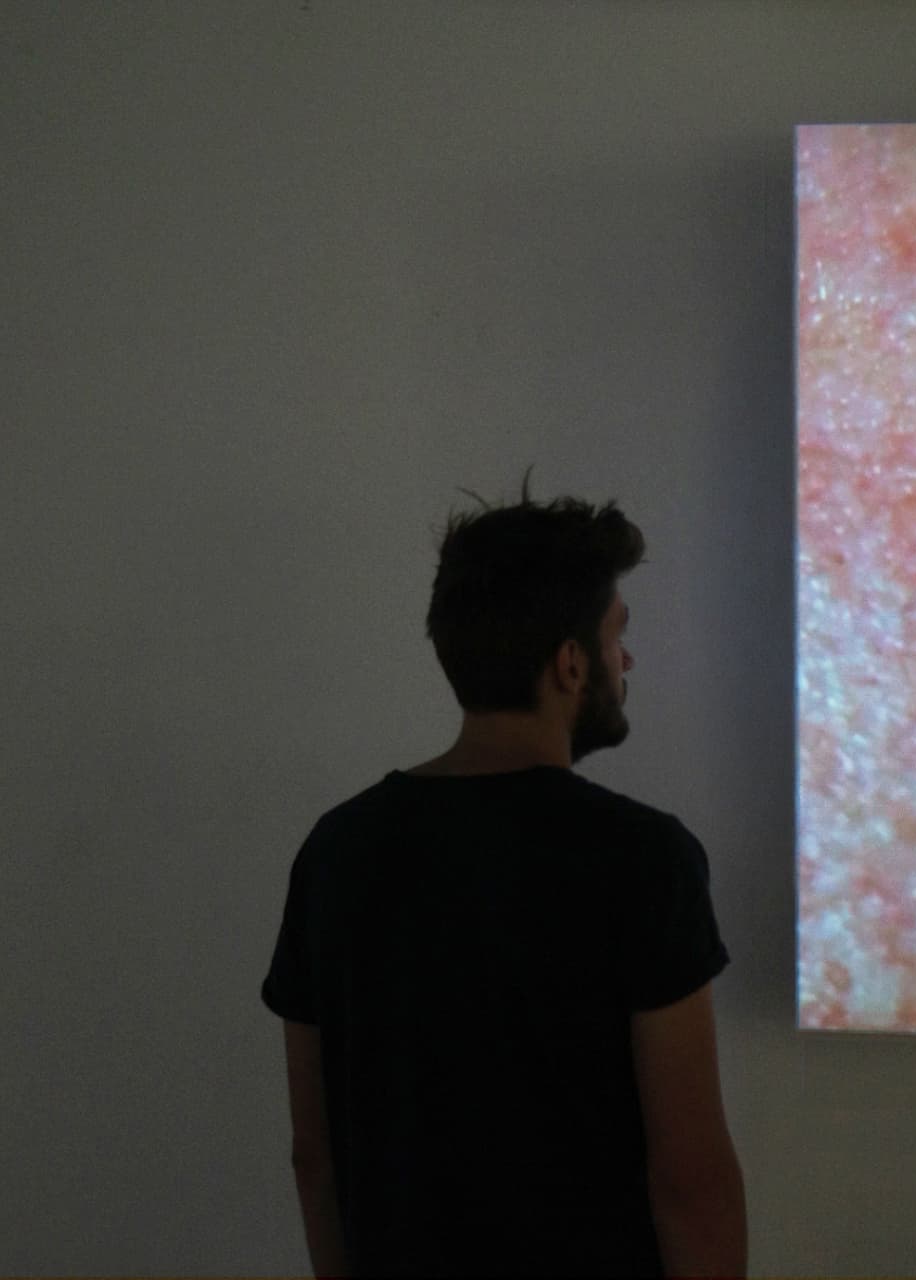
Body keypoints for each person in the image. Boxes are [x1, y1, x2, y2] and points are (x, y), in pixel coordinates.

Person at [261, 467, 747, 1277]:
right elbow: (689, 1178)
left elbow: (316, 1158)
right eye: (614, 635)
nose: (626, 658)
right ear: (568, 665)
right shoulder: (642, 860)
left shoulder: (336, 851)